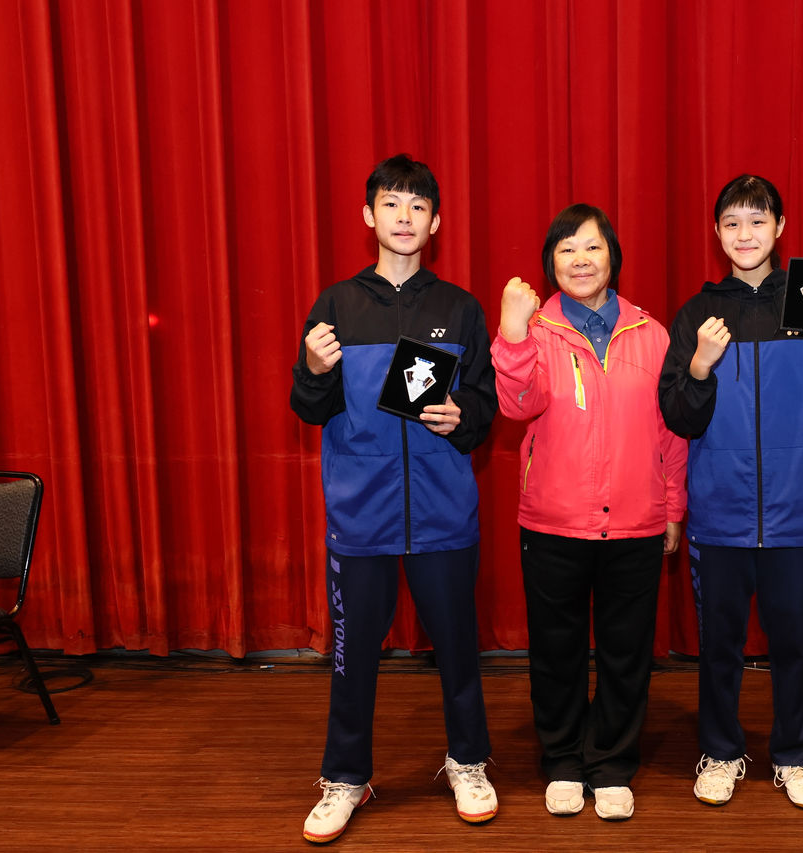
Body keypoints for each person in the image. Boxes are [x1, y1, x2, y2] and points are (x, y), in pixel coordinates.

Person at [290, 154, 499, 843]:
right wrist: (313, 369)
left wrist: (460, 416)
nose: (404, 217)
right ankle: (346, 776)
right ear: (368, 215)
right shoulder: (336, 304)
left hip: (444, 513)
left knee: (459, 651)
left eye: (417, 206)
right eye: (391, 204)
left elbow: (485, 406)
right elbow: (308, 407)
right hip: (362, 517)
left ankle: (469, 762)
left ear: (435, 222)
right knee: (352, 657)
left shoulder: (459, 307)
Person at [658, 174, 803, 811]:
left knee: (792, 646)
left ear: (779, 228)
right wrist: (700, 365)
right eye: (732, 222)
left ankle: (795, 755)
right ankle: (721, 751)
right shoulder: (698, 312)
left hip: (799, 511)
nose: (744, 234)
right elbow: (679, 416)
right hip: (719, 513)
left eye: (757, 220)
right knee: (718, 647)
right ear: (717, 233)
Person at [491, 204, 687, 820]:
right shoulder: (536, 329)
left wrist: (673, 504)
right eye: (566, 249)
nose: (580, 260)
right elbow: (516, 405)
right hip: (553, 521)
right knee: (558, 652)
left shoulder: (651, 333)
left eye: (593, 247)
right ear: (551, 262)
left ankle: (612, 763)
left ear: (613, 257)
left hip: (636, 520)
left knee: (628, 653)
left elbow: (671, 431)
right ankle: (563, 761)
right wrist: (513, 334)